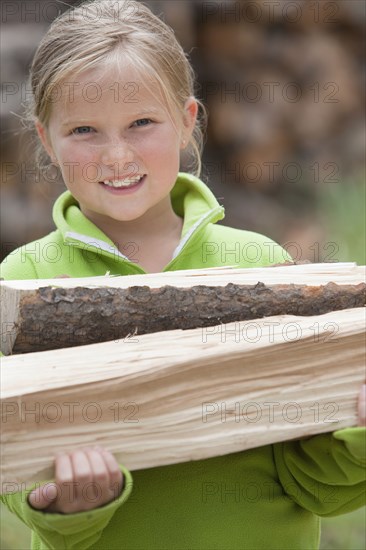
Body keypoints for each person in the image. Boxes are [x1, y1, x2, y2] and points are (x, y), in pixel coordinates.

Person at [1, 1, 365, 549]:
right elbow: (14, 466)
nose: (116, 156)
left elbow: (316, 485)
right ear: (47, 141)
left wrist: (356, 434)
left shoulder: (260, 265)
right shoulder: (23, 281)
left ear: (187, 121)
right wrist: (61, 505)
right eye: (84, 130)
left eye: (141, 123)